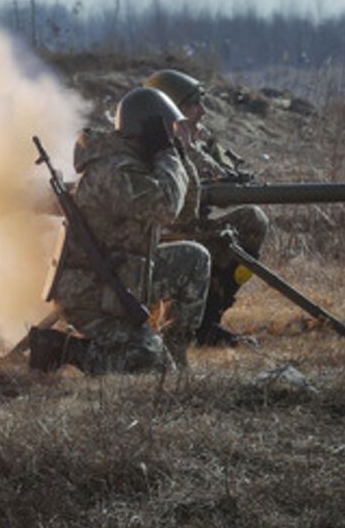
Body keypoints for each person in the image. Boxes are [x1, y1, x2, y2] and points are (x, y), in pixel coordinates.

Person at [47, 88, 210, 373]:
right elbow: (164, 208)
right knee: (146, 361)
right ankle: (62, 350)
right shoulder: (115, 169)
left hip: (123, 277)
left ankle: (174, 352)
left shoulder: (139, 162)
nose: (172, 135)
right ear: (148, 130)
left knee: (195, 258)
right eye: (168, 128)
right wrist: (167, 155)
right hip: (92, 293)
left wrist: (177, 155)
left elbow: (185, 214)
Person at [144, 69, 268, 347]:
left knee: (252, 221)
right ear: (171, 108)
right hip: (163, 238)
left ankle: (210, 319)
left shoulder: (195, 138)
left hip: (189, 228)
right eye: (194, 105)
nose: (203, 112)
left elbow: (228, 176)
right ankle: (186, 325)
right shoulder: (154, 142)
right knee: (209, 246)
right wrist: (188, 147)